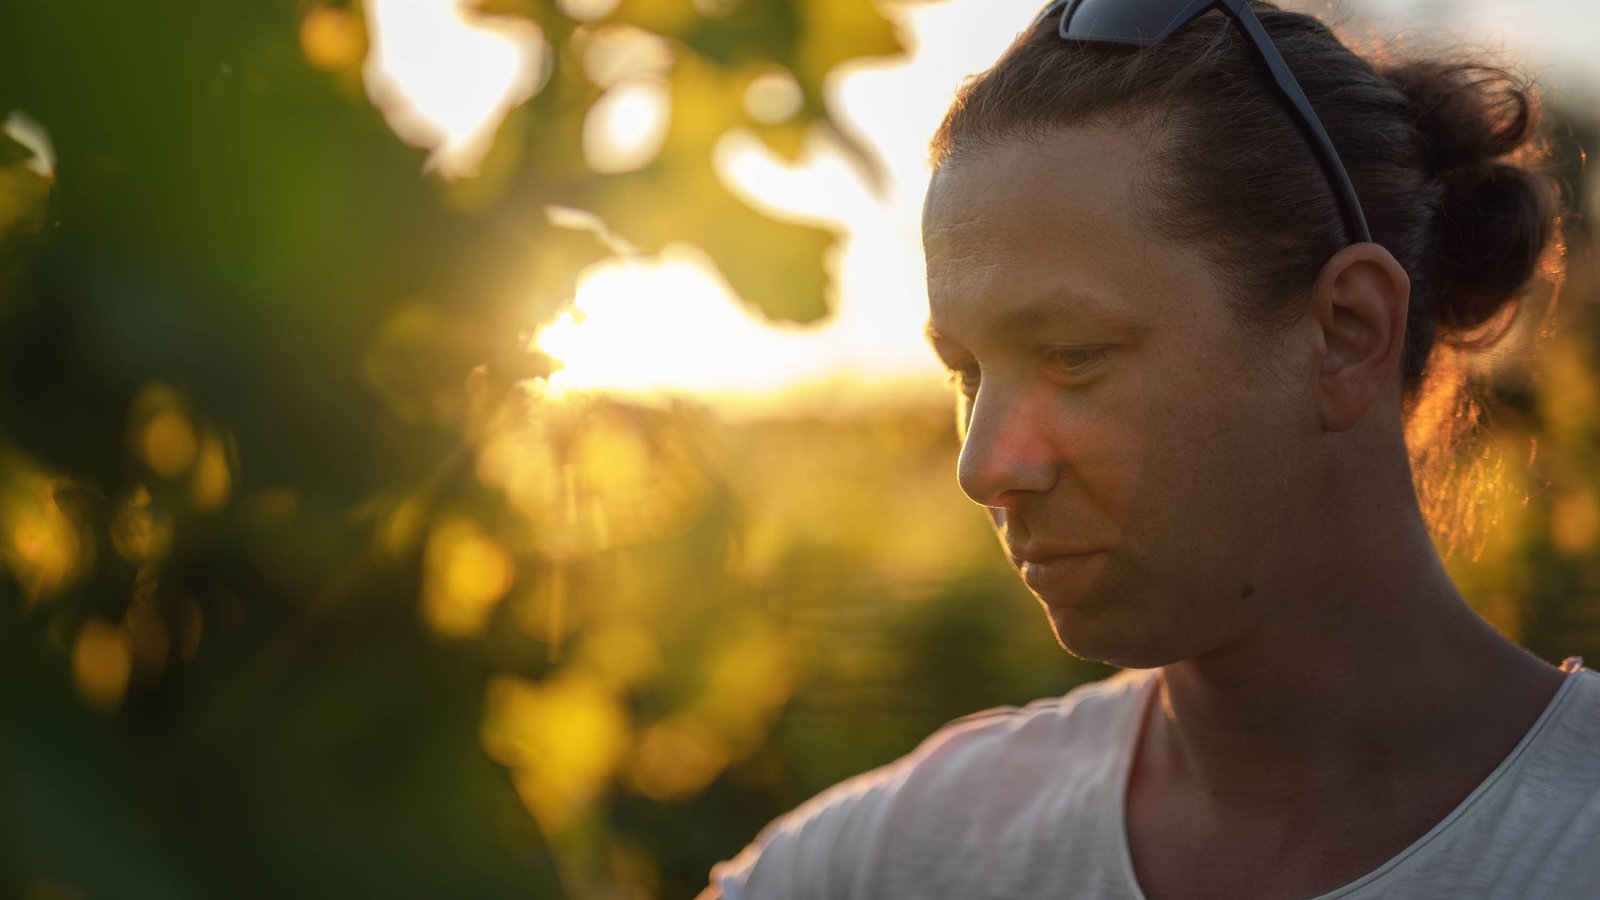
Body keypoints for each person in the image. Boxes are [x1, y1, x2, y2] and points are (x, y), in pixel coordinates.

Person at [702, 0, 1600, 897]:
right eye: (969, 372)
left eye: (1074, 356)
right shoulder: (904, 857)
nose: (983, 469)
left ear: (1346, 333)